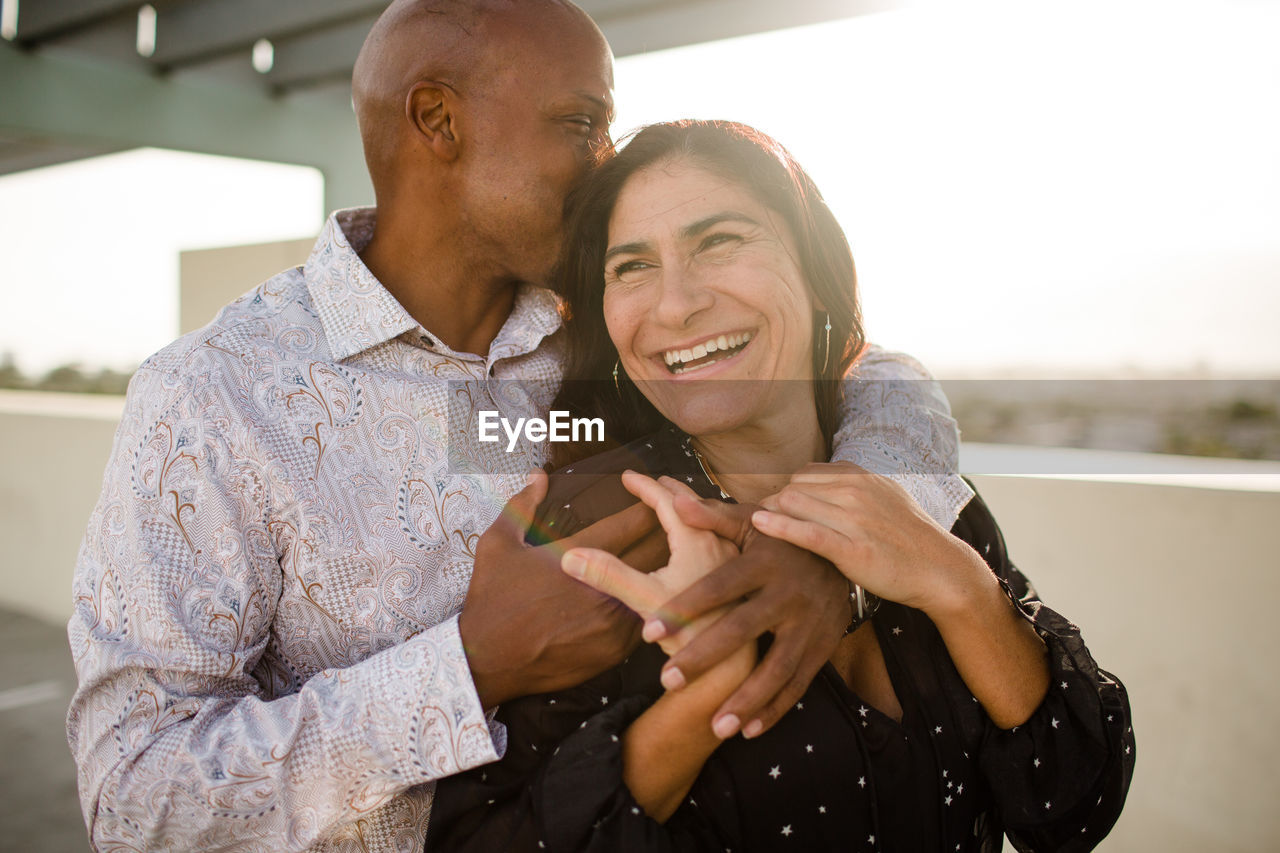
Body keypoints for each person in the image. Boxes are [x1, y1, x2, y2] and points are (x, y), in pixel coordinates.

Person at [65, 4, 968, 852]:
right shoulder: (217, 398)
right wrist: (467, 666)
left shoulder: (605, 329)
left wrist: (836, 548)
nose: (607, 160)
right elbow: (133, 799)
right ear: (438, 120)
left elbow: (865, 372)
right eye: (581, 124)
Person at [426, 120, 1134, 852]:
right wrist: (710, 694)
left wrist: (956, 584)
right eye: (632, 266)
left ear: (815, 275)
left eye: (720, 241)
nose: (676, 305)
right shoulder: (594, 531)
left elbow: (1072, 806)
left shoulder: (913, 489)